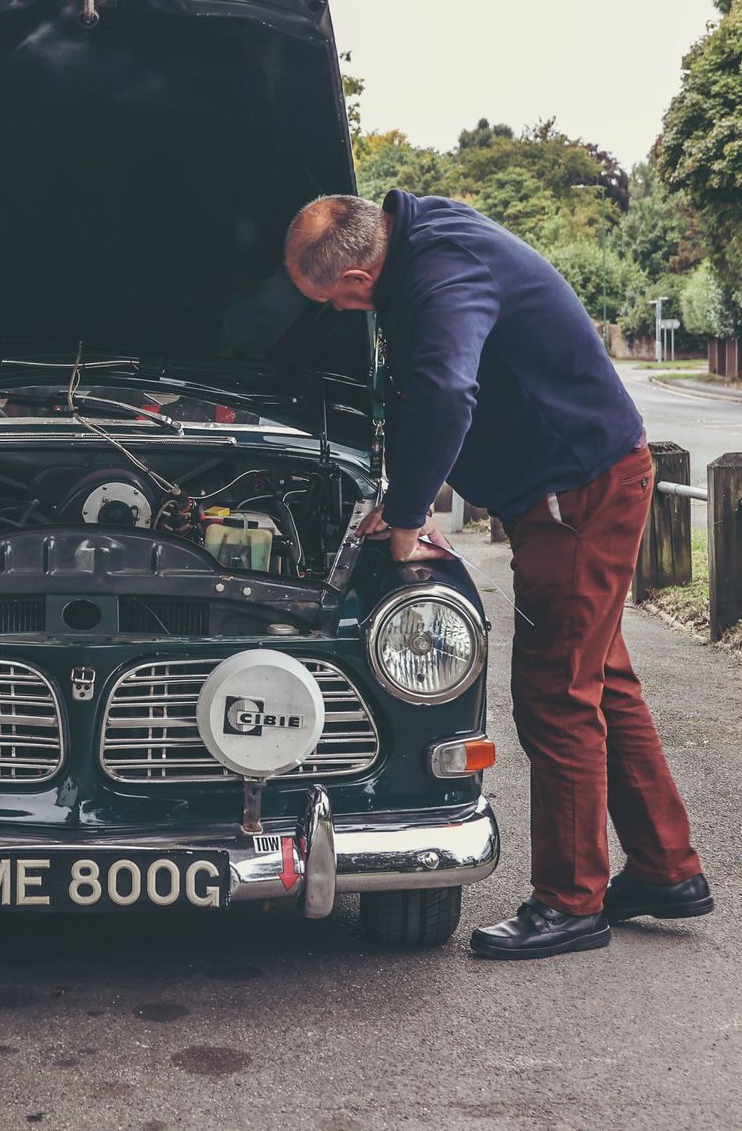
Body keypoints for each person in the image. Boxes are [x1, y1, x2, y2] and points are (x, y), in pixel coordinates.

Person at [285, 191, 710, 960]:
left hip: (576, 495)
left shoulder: (438, 271)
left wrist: (409, 517)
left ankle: (570, 901)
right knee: (602, 678)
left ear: (355, 275)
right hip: (576, 484)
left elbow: (447, 389)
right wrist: (405, 495)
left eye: (335, 302)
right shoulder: (422, 237)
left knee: (555, 693)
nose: (348, 313)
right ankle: (666, 869)